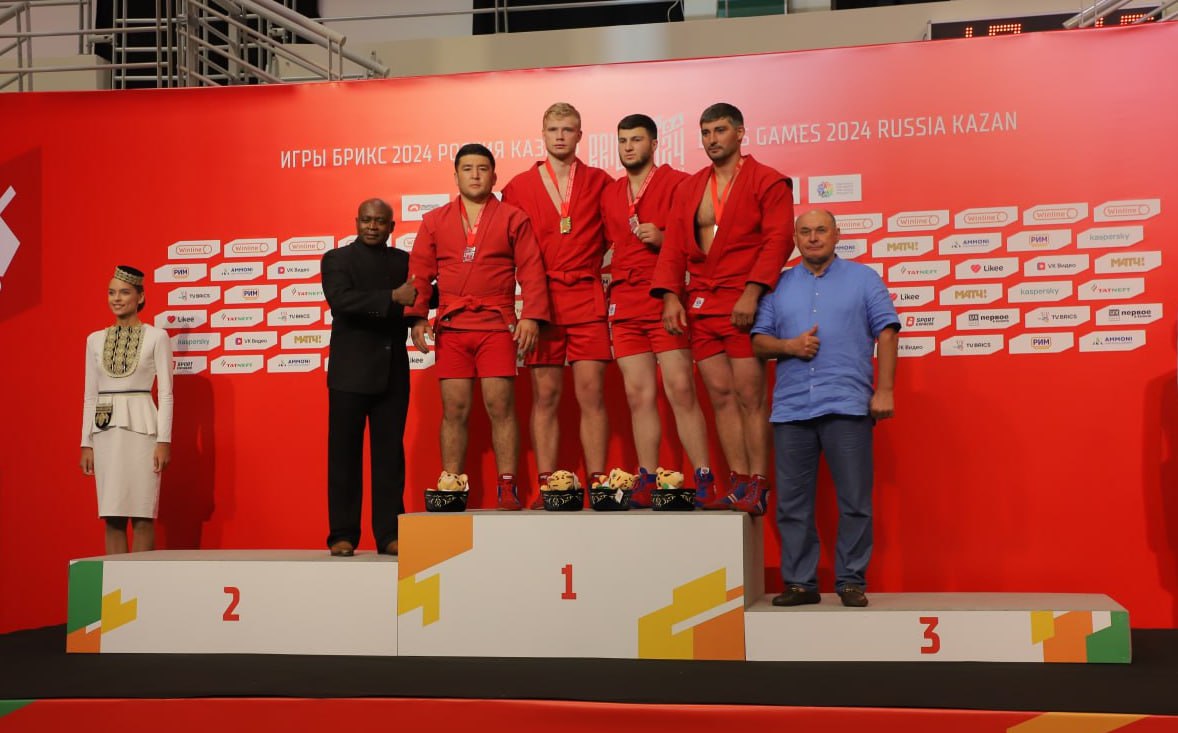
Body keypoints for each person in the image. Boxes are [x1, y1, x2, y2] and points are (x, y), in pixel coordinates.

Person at [751, 209, 899, 608]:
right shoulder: (778, 285)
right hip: (791, 410)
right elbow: (759, 341)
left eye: (821, 230)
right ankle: (801, 584)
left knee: (855, 501)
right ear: (795, 239)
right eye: (805, 231)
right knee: (792, 504)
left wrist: (885, 390)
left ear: (836, 235)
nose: (813, 237)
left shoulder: (864, 278)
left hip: (848, 404)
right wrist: (789, 346)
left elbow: (887, 332)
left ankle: (851, 581)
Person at [651, 102, 794, 512]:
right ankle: (739, 480)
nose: (712, 140)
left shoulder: (767, 180)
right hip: (702, 302)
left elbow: (779, 239)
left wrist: (753, 291)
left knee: (750, 395)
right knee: (720, 395)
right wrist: (671, 295)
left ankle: (759, 483)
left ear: (740, 132)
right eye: (705, 132)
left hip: (744, 301)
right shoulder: (690, 187)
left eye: (720, 130)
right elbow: (674, 245)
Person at [407, 143, 550, 510]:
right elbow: (420, 272)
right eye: (467, 168)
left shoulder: (513, 218)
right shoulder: (434, 220)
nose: (475, 175)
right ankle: (451, 483)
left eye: (482, 168)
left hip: (496, 326)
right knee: (454, 409)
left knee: (500, 405)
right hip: (453, 327)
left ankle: (507, 485)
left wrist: (531, 315)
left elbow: (532, 270)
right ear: (455, 176)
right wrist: (418, 315)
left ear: (494, 175)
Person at [502, 102, 613, 507]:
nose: (561, 136)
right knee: (545, 396)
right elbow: (509, 250)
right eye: (553, 130)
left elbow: (616, 236)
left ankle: (599, 484)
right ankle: (549, 485)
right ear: (543, 134)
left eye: (568, 129)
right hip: (542, 301)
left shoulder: (601, 182)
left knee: (591, 395)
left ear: (580, 134)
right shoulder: (517, 186)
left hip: (586, 295)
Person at [601, 114, 715, 507]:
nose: (628, 147)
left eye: (636, 139)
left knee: (681, 388)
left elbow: (703, 238)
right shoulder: (610, 193)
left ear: (653, 144)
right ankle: (647, 478)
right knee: (638, 395)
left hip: (665, 298)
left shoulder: (679, 183)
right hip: (625, 301)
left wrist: (665, 237)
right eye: (623, 140)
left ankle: (703, 476)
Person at [321, 198, 416, 556]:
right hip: (349, 373)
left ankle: (389, 534)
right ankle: (342, 534)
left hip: (393, 372)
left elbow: (423, 294)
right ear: (356, 222)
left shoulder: (404, 262)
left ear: (392, 227)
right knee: (343, 457)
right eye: (366, 220)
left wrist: (420, 309)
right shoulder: (337, 259)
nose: (372, 227)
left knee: (390, 458)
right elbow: (341, 300)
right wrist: (393, 297)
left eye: (379, 221)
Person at [80, 265, 173, 554]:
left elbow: (167, 394)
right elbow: (90, 395)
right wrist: (86, 442)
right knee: (112, 517)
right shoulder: (94, 340)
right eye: (111, 293)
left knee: (143, 516)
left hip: (143, 431)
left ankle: (142, 580)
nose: (116, 299)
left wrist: (164, 440)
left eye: (124, 292)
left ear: (140, 297)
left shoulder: (157, 337)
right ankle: (115, 581)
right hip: (105, 431)